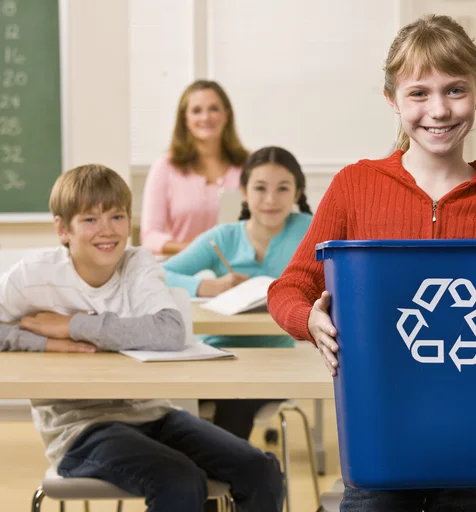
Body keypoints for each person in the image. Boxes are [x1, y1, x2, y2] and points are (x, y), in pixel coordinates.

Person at [267, 14, 476, 512]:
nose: (440, 110)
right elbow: (288, 287)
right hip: (382, 425)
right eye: (419, 93)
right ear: (392, 100)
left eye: (455, 90)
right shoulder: (355, 186)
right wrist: (310, 320)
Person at [0, 164, 283, 512]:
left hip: (152, 412)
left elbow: (170, 330)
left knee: (261, 470)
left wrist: (71, 325)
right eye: (90, 220)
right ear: (63, 229)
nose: (107, 231)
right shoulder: (32, 277)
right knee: (179, 480)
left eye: (117, 217)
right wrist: (47, 342)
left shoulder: (136, 264)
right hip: (79, 428)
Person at [163, 146, 312, 440]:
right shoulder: (223, 236)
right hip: (216, 353)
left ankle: (227, 480)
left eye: (283, 189)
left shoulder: (309, 230)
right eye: (260, 188)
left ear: (297, 194)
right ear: (243, 191)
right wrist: (209, 286)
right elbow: (160, 275)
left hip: (273, 359)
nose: (270, 199)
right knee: (175, 401)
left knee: (234, 400)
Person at [141, 80, 249, 255]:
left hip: (239, 267)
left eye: (214, 109)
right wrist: (198, 252)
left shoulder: (248, 165)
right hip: (182, 267)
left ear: (226, 114)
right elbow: (150, 236)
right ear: (185, 119)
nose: (206, 117)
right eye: (197, 111)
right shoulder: (165, 167)